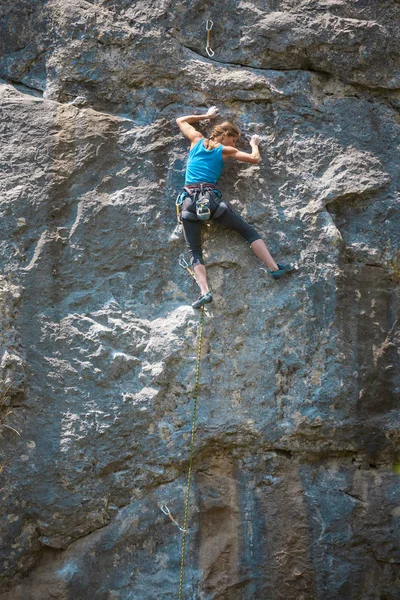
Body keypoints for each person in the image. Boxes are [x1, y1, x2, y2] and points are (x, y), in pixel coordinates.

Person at [176, 106, 294, 309]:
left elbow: (181, 120)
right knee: (247, 231)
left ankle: (204, 292)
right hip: (211, 200)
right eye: (233, 140)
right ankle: (274, 268)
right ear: (223, 135)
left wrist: (207, 115)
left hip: (188, 203)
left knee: (194, 250)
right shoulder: (224, 150)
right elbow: (254, 159)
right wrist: (254, 144)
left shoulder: (196, 140)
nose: (234, 144)